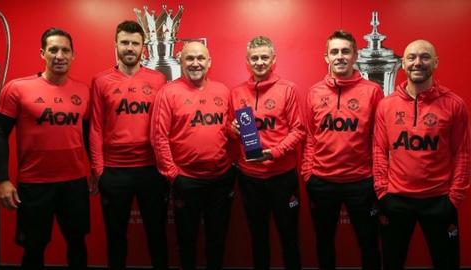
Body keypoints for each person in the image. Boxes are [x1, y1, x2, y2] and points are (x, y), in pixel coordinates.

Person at [0, 28, 90, 270]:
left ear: (73, 55)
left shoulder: (83, 91)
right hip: (35, 184)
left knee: (77, 244)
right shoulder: (17, 88)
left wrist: (96, 170)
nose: (59, 55)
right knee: (34, 247)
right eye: (53, 49)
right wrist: (2, 180)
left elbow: (88, 136)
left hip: (75, 183)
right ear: (42, 53)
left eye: (65, 50)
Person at [373, 39, 470, 270]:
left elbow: (462, 153)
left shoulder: (454, 104)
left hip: (439, 200)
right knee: (392, 262)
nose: (418, 62)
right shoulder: (386, 105)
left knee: (446, 263)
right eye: (411, 57)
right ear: (402, 63)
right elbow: (379, 149)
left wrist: (454, 198)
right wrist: (382, 191)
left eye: (425, 57)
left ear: (435, 62)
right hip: (396, 200)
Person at [89, 20, 168, 270]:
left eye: (135, 43)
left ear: (143, 47)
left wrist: (165, 166)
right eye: (124, 42)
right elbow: (96, 127)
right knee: (116, 239)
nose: (129, 48)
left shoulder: (158, 80)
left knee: (157, 235)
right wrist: (99, 170)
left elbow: (164, 126)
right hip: (114, 172)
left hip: (151, 171)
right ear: (116, 45)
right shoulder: (101, 80)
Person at [302, 30, 383, 270]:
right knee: (324, 242)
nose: (340, 56)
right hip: (322, 181)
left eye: (345, 51)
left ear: (355, 56)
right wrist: (309, 174)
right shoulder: (314, 92)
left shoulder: (372, 91)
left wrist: (376, 178)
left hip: (361, 182)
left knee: (369, 243)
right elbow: (309, 136)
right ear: (326, 57)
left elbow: (379, 139)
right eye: (334, 52)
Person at [151, 41, 235, 270]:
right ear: (181, 61)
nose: (195, 63)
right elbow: (159, 137)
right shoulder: (168, 92)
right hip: (186, 180)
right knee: (187, 241)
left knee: (217, 239)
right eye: (190, 58)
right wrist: (173, 175)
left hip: (220, 179)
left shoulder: (223, 90)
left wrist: (233, 130)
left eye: (200, 58)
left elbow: (226, 128)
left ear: (209, 62)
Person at [229, 36, 305, 270]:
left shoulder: (288, 89)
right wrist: (231, 129)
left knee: (289, 237)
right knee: (258, 237)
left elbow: (299, 130)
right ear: (247, 61)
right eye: (255, 58)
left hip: (282, 176)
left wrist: (275, 153)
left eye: (264, 57)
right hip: (250, 178)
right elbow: (233, 131)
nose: (260, 62)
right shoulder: (237, 92)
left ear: (273, 60)